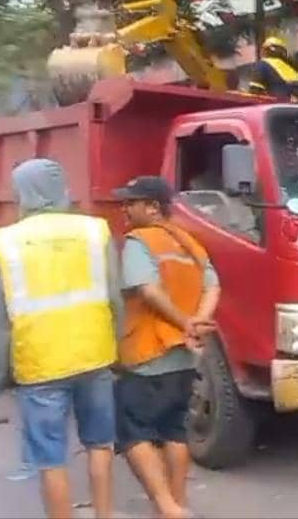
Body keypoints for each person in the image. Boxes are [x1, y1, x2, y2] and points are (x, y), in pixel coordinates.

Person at [0, 159, 124, 519]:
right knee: (100, 444)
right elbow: (115, 298)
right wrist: (117, 347)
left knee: (51, 458)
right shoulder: (95, 231)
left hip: (40, 362)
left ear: (21, 192)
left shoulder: (1, 242)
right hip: (95, 354)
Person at [112, 176, 220, 519]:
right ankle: (177, 502)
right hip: (184, 356)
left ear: (153, 208)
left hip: (149, 352)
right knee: (174, 430)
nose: (125, 209)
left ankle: (166, 506)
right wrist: (197, 322)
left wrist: (184, 322)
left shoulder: (139, 241)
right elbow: (213, 286)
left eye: (131, 202)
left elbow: (148, 290)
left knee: (132, 433)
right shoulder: (189, 242)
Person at [248, 36, 298, 103]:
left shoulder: (262, 64)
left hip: (281, 105)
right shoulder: (290, 67)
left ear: (265, 51)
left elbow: (254, 91)